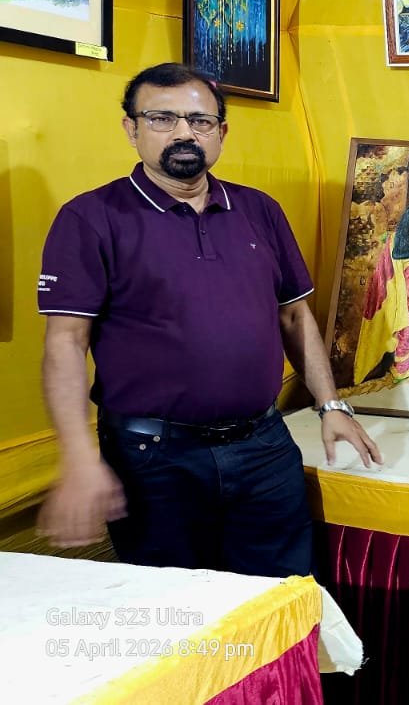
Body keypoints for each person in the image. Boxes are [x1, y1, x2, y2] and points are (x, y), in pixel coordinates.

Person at [35, 63, 381, 576]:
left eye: (199, 121)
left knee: (282, 596)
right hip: (152, 459)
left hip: (264, 447)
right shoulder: (90, 218)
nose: (183, 133)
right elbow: (65, 343)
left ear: (221, 132)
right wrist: (79, 458)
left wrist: (331, 404)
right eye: (162, 118)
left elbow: (294, 316)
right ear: (131, 129)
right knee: (177, 609)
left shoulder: (259, 210)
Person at [355, 203, 409, 383]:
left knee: (406, 322)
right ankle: (408, 365)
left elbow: (384, 257)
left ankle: (400, 366)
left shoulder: (394, 236)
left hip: (403, 284)